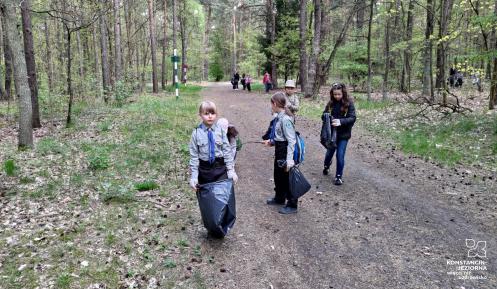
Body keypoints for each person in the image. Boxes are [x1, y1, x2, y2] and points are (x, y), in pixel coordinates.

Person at [189, 101, 238, 190]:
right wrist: (194, 177)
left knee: (222, 197)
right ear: (200, 114)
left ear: (216, 114)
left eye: (212, 113)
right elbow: (194, 156)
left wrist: (231, 171)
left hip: (220, 169)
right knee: (208, 200)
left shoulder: (221, 131)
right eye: (206, 114)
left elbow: (227, 151)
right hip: (204, 171)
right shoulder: (196, 133)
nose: (210, 116)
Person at [263, 92, 298, 214]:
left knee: (286, 178)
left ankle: (292, 204)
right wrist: (272, 142)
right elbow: (280, 136)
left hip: (285, 151)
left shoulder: (286, 119)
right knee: (278, 176)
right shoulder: (278, 117)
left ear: (275, 103)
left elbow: (291, 140)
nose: (270, 107)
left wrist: (289, 160)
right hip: (279, 149)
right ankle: (279, 198)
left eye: (271, 104)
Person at [322, 83, 356, 185]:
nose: (337, 96)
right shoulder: (330, 103)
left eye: (339, 94)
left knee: (340, 155)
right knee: (329, 154)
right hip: (331, 135)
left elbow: (352, 118)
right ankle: (326, 166)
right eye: (335, 94)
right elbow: (323, 115)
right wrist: (326, 116)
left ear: (343, 93)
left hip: (343, 135)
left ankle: (338, 176)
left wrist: (340, 122)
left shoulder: (349, 103)